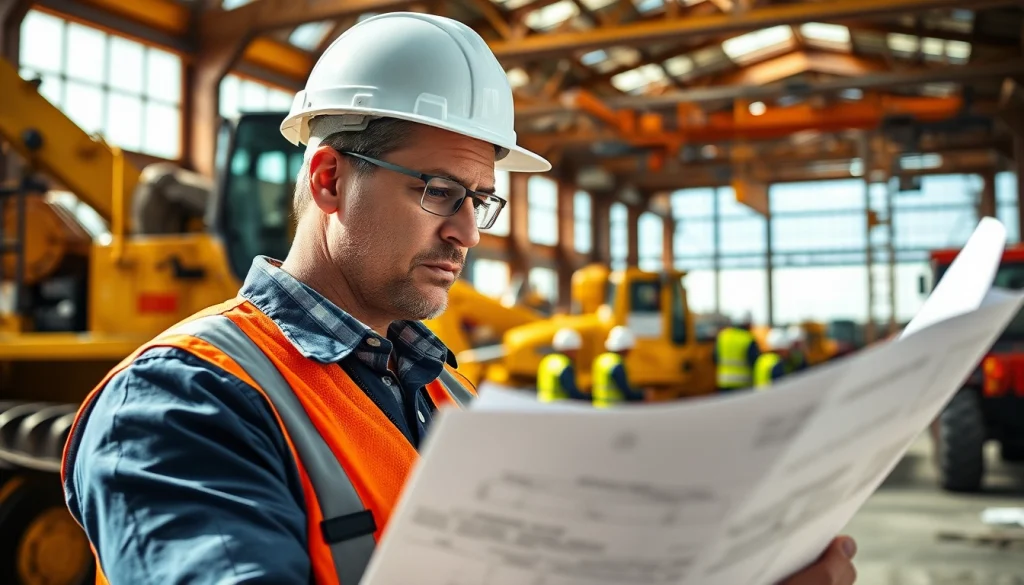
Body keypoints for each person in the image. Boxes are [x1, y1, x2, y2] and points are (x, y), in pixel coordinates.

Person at [59, 12, 858, 585]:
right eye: (441, 191)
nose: (469, 233)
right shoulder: (179, 404)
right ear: (330, 178)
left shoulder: (446, 394)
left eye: (483, 199)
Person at [592, 325, 646, 408]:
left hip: (598, 408)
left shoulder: (600, 360)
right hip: (614, 410)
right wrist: (642, 395)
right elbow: (626, 391)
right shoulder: (616, 364)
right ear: (624, 348)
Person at [714, 311, 761, 392]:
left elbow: (715, 358)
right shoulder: (748, 338)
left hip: (724, 383)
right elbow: (755, 362)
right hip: (743, 385)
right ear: (748, 324)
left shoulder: (723, 336)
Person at [537, 328, 588, 402]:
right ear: (569, 350)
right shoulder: (564, 365)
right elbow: (572, 392)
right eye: (575, 350)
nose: (576, 353)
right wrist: (588, 398)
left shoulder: (547, 360)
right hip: (560, 406)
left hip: (542, 404)